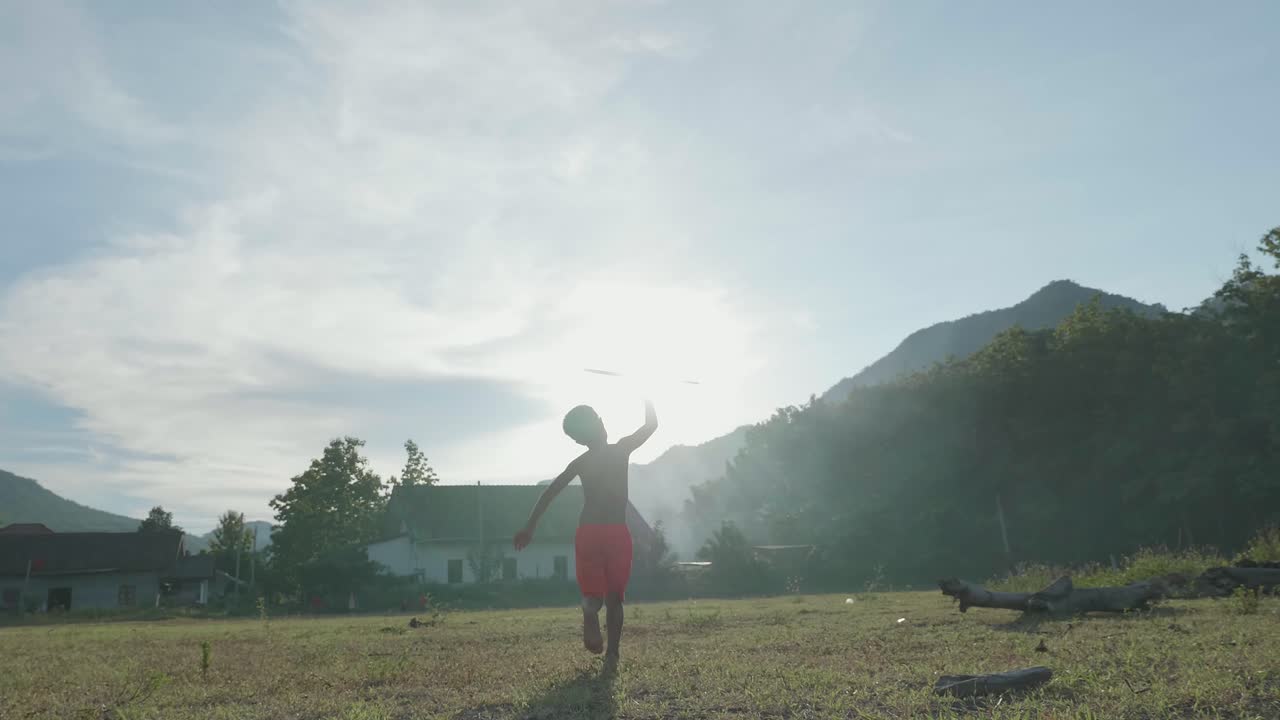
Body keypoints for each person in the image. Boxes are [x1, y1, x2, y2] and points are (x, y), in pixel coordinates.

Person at [514, 399, 658, 661]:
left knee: (594, 595)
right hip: (616, 532)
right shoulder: (622, 449)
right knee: (615, 598)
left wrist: (529, 527)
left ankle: (589, 611)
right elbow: (651, 425)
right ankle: (612, 653)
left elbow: (549, 493)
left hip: (589, 532)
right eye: (599, 420)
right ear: (600, 425)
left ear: (579, 441)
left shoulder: (580, 462)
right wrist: (648, 396)